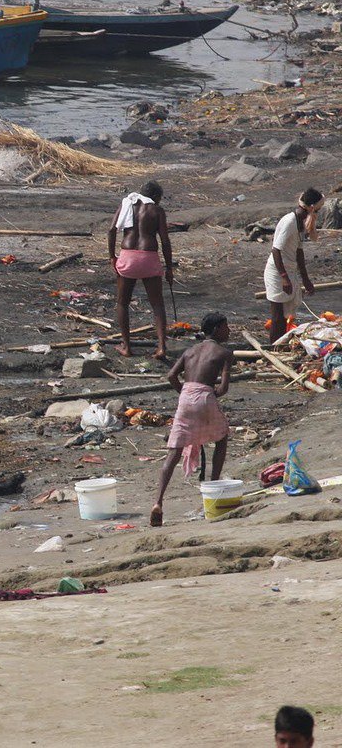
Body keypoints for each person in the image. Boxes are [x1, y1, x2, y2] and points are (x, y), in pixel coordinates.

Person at [150, 312, 234, 527]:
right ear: (216, 330)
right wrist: (210, 393)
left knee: (174, 451)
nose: (229, 331)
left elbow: (171, 376)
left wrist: (185, 392)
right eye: (226, 327)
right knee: (222, 438)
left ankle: (158, 502)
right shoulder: (224, 353)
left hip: (186, 396)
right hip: (205, 395)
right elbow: (223, 388)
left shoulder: (189, 351)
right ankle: (213, 487)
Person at [108, 180, 173, 360]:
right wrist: (169, 267)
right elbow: (165, 241)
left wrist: (112, 256)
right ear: (155, 197)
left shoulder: (126, 204)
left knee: (122, 302)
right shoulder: (157, 211)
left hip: (127, 256)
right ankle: (161, 347)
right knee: (157, 304)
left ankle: (126, 346)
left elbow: (111, 230)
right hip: (148, 256)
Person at [265, 189, 325, 343]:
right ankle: (274, 348)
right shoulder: (290, 221)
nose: (318, 212)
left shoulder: (300, 222)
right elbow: (276, 249)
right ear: (312, 207)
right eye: (318, 209)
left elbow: (299, 252)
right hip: (277, 272)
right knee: (277, 316)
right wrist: (284, 277)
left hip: (288, 270)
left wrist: (305, 279)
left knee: (284, 316)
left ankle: (279, 345)